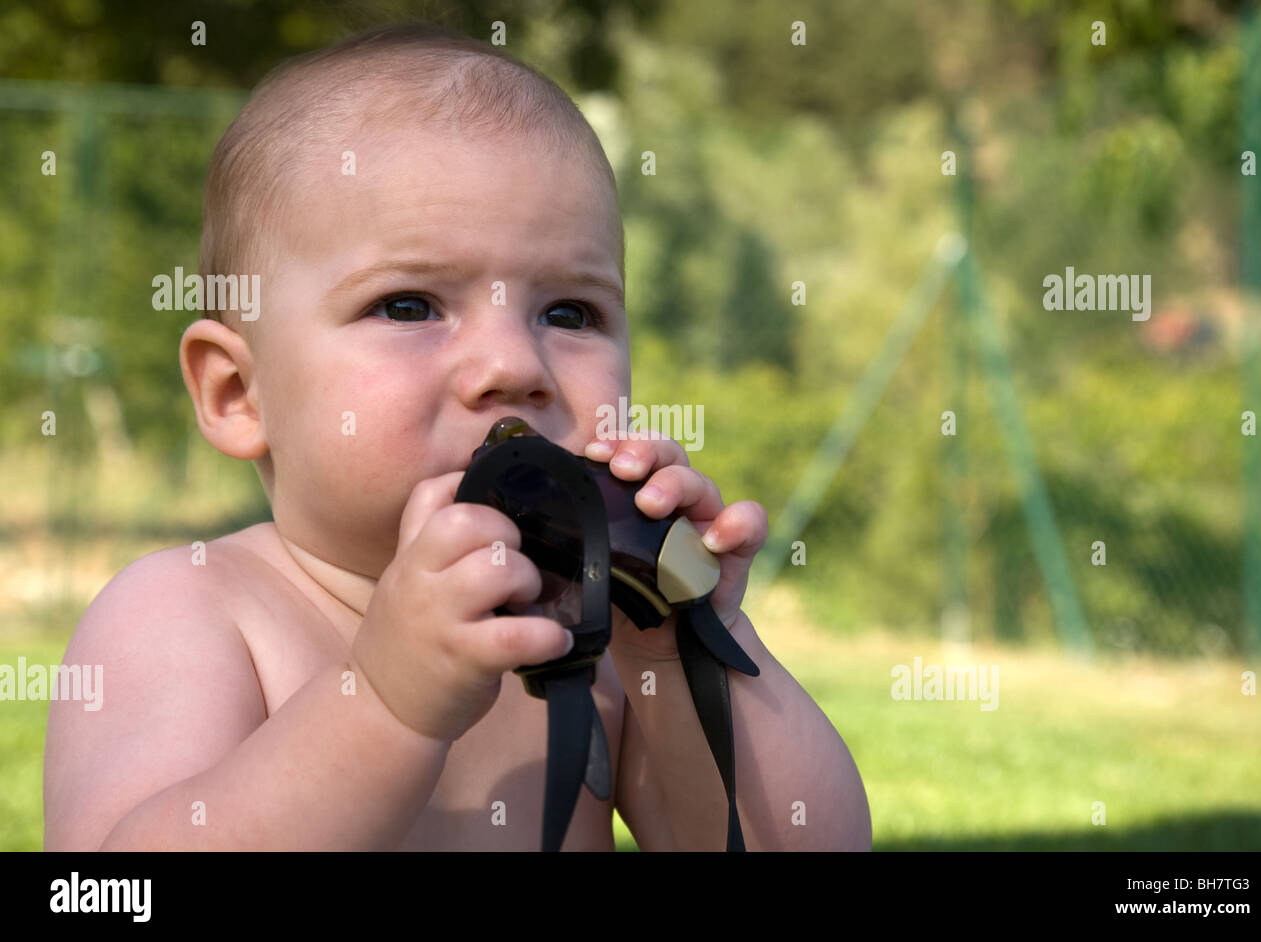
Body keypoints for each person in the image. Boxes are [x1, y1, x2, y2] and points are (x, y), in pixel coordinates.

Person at [43, 23, 870, 851]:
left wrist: (685, 646)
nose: (514, 366)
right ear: (237, 393)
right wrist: (384, 704)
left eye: (569, 313)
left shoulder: (595, 643)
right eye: (409, 306)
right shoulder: (191, 610)